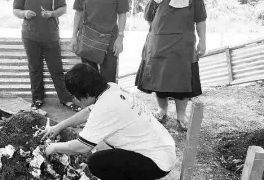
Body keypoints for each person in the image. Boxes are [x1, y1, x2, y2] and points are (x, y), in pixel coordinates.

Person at [41, 63, 176, 180]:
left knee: (97, 162)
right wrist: (60, 126)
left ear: (86, 94)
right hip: (164, 149)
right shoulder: (110, 88)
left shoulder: (105, 107)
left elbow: (82, 146)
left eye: (76, 97)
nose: (76, 101)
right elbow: (89, 111)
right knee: (108, 154)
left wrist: (53, 148)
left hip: (157, 163)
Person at [135, 0, 207, 130]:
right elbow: (148, 18)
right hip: (158, 45)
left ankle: (181, 117)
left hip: (182, 47)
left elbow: (201, 20)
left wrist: (202, 41)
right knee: (159, 81)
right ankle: (162, 111)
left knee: (181, 83)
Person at [13, 0, 80, 112]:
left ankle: (66, 99)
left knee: (56, 68)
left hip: (50, 36)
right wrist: (24, 13)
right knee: (34, 68)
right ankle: (37, 99)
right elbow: (15, 10)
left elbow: (63, 8)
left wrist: (51, 13)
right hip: (30, 36)